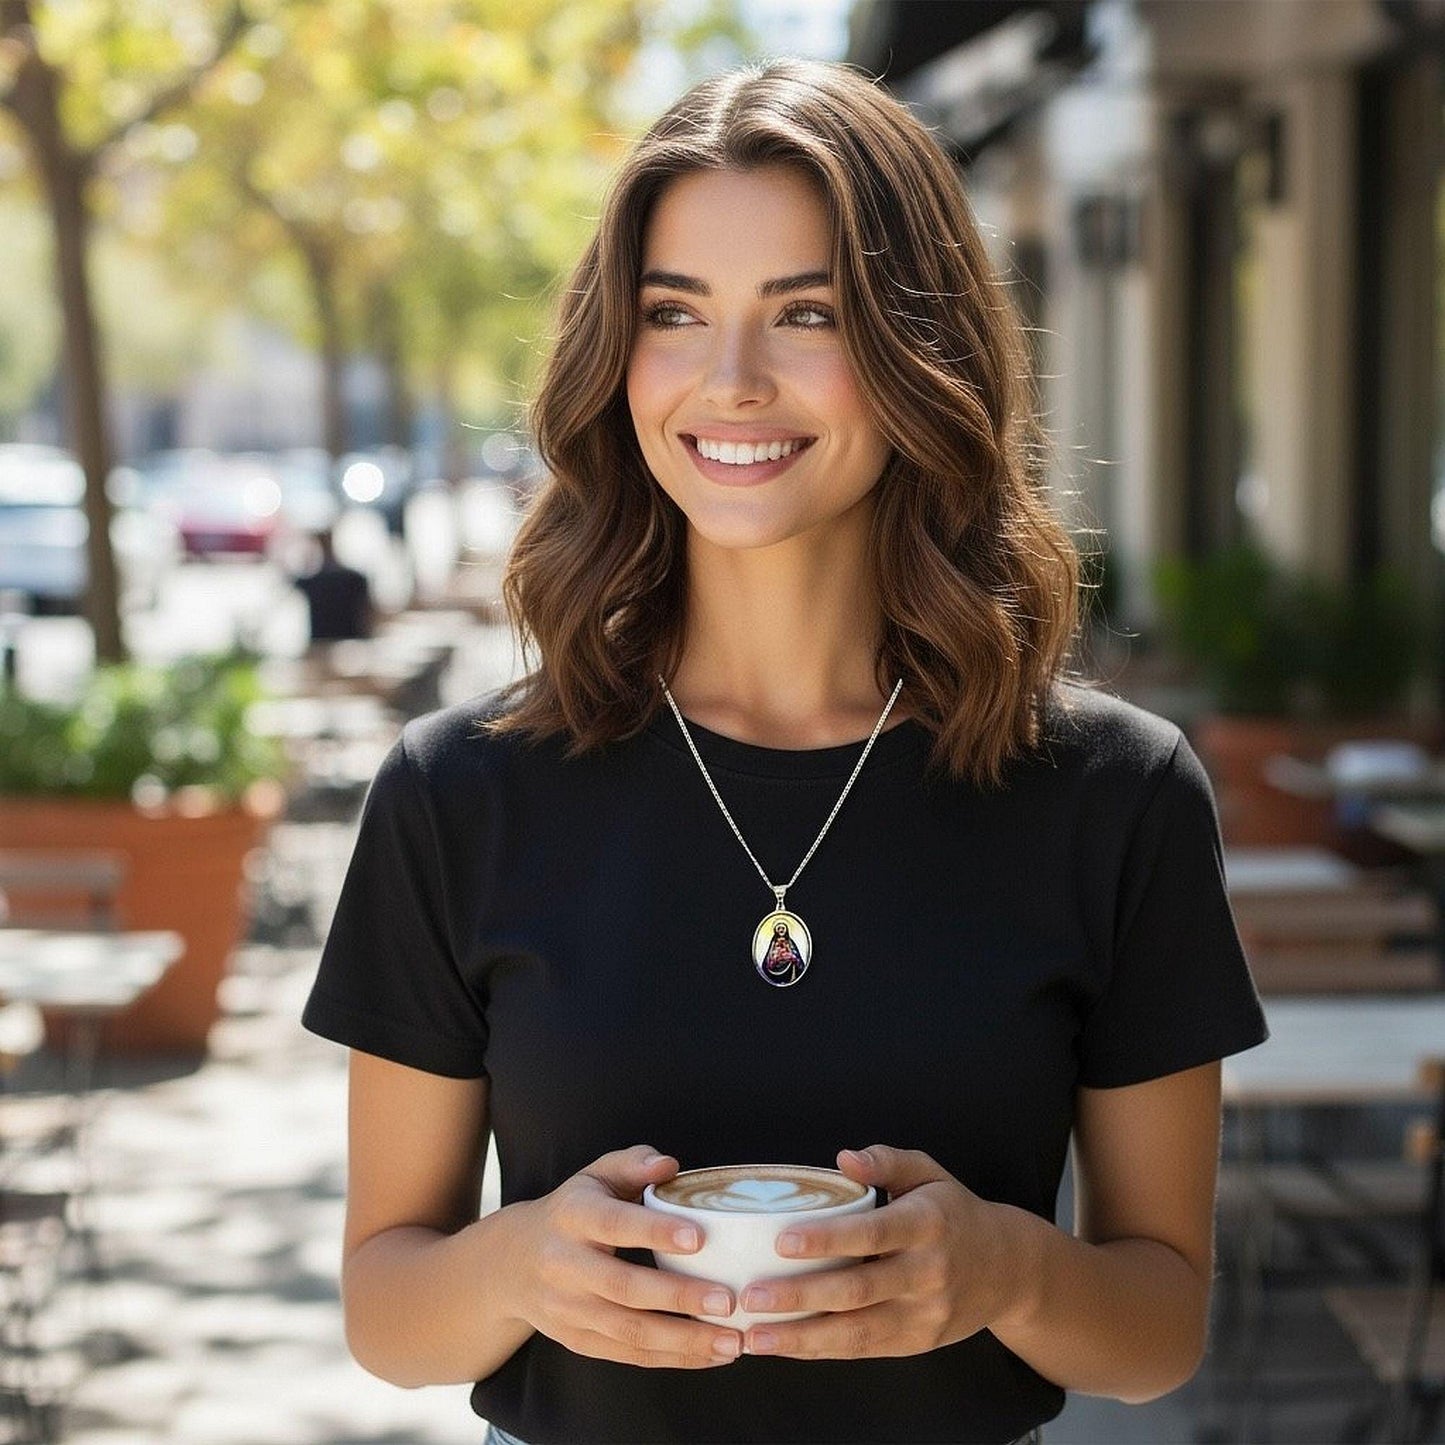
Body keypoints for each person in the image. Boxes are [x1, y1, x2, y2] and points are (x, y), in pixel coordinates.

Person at [302, 58, 1267, 1445]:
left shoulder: (1114, 795)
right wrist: (521, 1265)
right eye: (673, 314)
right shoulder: (462, 792)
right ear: (615, 357)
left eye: (806, 312)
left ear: (919, 350)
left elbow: (1156, 1326)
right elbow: (388, 1312)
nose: (730, 381)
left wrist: (1003, 1270)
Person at [293, 527, 374, 644]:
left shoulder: (315, 582)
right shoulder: (354, 578)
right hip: (341, 642)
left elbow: (367, 611)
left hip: (340, 642)